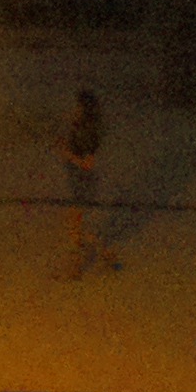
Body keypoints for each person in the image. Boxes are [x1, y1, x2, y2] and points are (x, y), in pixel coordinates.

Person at [58, 88, 119, 276]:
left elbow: (88, 164)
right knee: (79, 225)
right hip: (77, 181)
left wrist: (67, 154)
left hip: (83, 182)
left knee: (75, 225)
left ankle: (76, 267)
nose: (73, 109)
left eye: (77, 106)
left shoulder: (89, 131)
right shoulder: (78, 127)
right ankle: (107, 256)